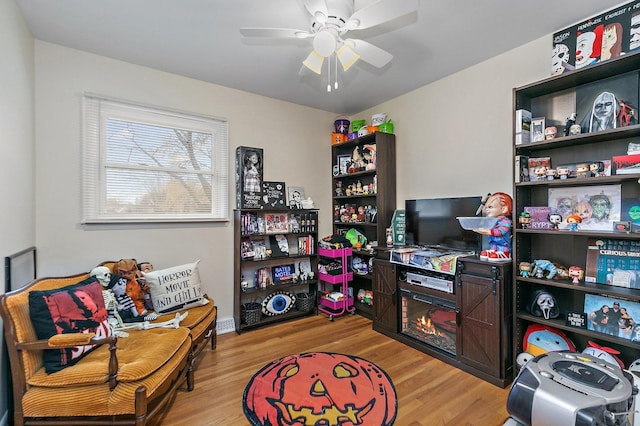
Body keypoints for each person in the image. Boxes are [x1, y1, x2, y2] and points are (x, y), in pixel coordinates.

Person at [473, 192, 512, 261]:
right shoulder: (490, 220)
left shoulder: (505, 221)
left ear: (503, 209)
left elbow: (500, 232)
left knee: (500, 247)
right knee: (487, 252)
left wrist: (487, 232)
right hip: (493, 246)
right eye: (486, 207)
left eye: (490, 207)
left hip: (503, 247)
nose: (487, 210)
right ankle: (493, 250)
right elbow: (483, 223)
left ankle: (505, 253)